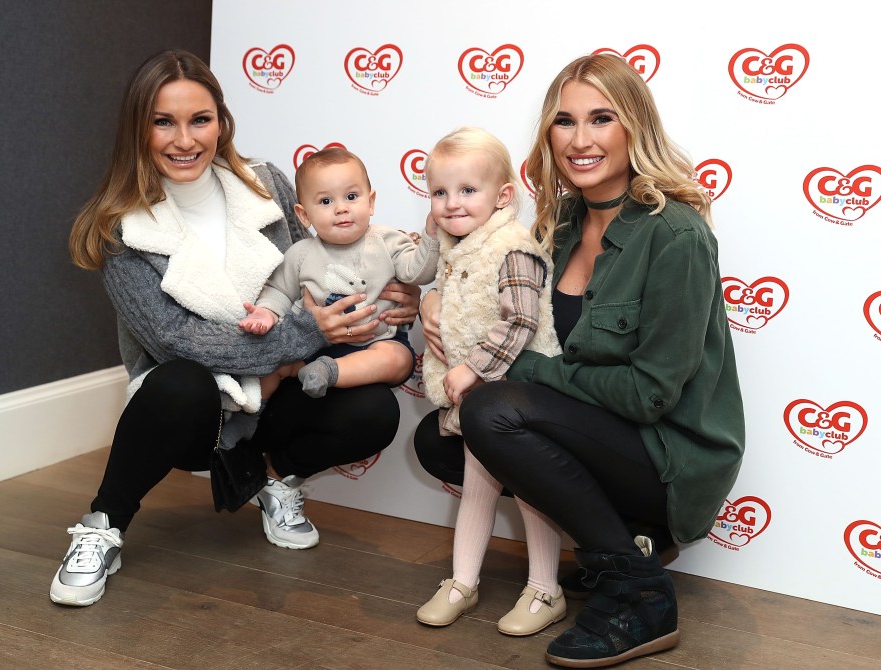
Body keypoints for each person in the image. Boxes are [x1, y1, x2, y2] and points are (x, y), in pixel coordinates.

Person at [52, 50, 420, 607]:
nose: (184, 139)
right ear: (138, 128)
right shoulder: (119, 228)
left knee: (374, 411)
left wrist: (394, 288)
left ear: (221, 121)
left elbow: (331, 258)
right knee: (179, 380)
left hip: (276, 395)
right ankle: (103, 522)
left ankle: (265, 476)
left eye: (199, 119)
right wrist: (306, 334)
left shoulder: (268, 182)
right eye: (163, 121)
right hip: (199, 411)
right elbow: (176, 342)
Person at [415, 54, 745, 667]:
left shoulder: (675, 235)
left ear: (634, 127)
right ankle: (620, 545)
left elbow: (651, 394)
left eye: (602, 119)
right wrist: (435, 296)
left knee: (490, 410)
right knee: (442, 438)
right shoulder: (560, 221)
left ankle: (640, 591)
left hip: (668, 454)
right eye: (564, 121)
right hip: (602, 432)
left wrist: (519, 372)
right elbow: (495, 284)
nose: (581, 139)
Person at [413, 128, 568, 637]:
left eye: (467, 191)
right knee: (477, 489)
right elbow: (447, 293)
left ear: (503, 196)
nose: (451, 204)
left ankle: (546, 588)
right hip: (484, 402)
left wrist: (472, 368)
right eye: (440, 192)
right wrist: (428, 301)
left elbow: (520, 320)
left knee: (529, 490)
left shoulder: (513, 247)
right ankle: (462, 582)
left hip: (520, 399)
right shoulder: (457, 245)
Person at [239, 147, 439, 399]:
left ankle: (330, 371)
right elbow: (279, 290)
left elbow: (417, 273)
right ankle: (244, 419)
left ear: (371, 202)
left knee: (397, 359)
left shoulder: (388, 241)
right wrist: (266, 312)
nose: (341, 208)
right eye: (326, 201)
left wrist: (431, 237)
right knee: (269, 369)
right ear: (303, 215)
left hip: (376, 343)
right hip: (316, 345)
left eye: (352, 196)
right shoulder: (300, 254)